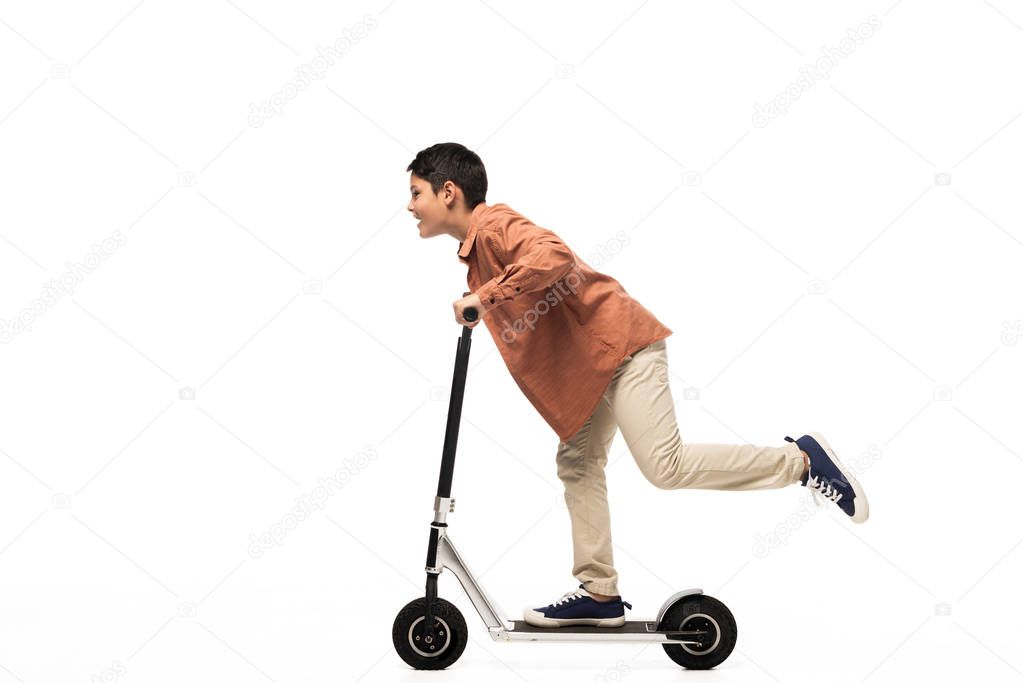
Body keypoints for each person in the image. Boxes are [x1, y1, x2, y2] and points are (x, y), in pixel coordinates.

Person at [406, 142, 869, 629]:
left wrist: (486, 295)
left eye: (416, 193)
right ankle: (598, 593)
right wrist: (486, 296)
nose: (410, 205)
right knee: (578, 463)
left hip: (621, 350)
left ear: (449, 191)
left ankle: (800, 462)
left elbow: (554, 256)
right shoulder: (477, 253)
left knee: (665, 467)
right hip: (593, 367)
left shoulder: (497, 225)